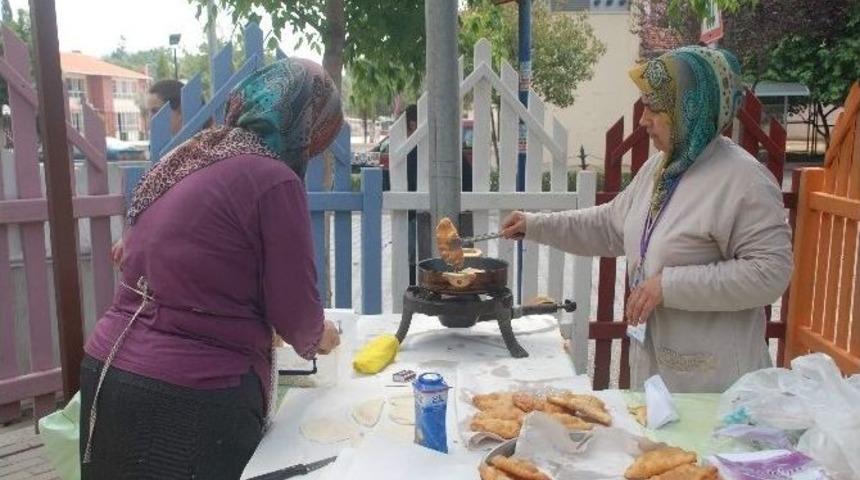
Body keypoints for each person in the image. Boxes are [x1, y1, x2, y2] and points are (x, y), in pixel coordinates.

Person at [80, 58, 343, 479]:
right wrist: (321, 337)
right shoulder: (274, 178)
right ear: (304, 126)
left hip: (108, 371)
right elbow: (296, 316)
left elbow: (142, 254)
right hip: (192, 392)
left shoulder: (192, 155)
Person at [500, 47, 793, 393]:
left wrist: (668, 286)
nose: (643, 120)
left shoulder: (744, 180)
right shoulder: (660, 168)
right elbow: (610, 224)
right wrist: (535, 225)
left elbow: (771, 274)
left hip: (718, 391)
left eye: (656, 107)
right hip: (659, 380)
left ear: (691, 109)